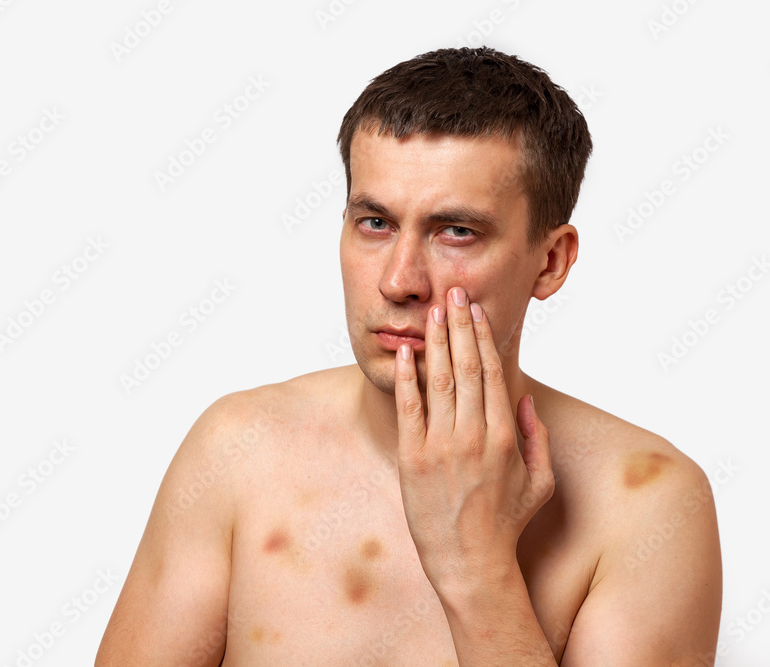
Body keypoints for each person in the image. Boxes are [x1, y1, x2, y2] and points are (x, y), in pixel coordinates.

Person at [95, 46, 722, 665]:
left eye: (456, 231)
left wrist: (474, 568)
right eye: (375, 223)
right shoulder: (236, 450)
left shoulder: (650, 507)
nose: (399, 281)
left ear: (550, 261)